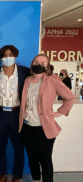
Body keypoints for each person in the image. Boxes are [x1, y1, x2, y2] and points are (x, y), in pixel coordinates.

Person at [19, 54, 75, 182]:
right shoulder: (27, 80)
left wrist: (60, 112)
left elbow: (70, 97)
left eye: (43, 63)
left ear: (47, 66)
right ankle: (36, 180)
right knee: (32, 158)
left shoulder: (53, 80)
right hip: (27, 126)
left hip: (44, 128)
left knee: (45, 159)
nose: (39, 65)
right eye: (37, 62)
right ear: (32, 63)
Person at [0, 45, 31, 182]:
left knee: (18, 148)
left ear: (15, 56)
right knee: (0, 146)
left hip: (17, 114)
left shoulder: (24, 72)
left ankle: (16, 176)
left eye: (11, 55)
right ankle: (2, 174)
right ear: (1, 57)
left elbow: (39, 80)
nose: (8, 58)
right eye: (5, 55)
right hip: (0, 113)